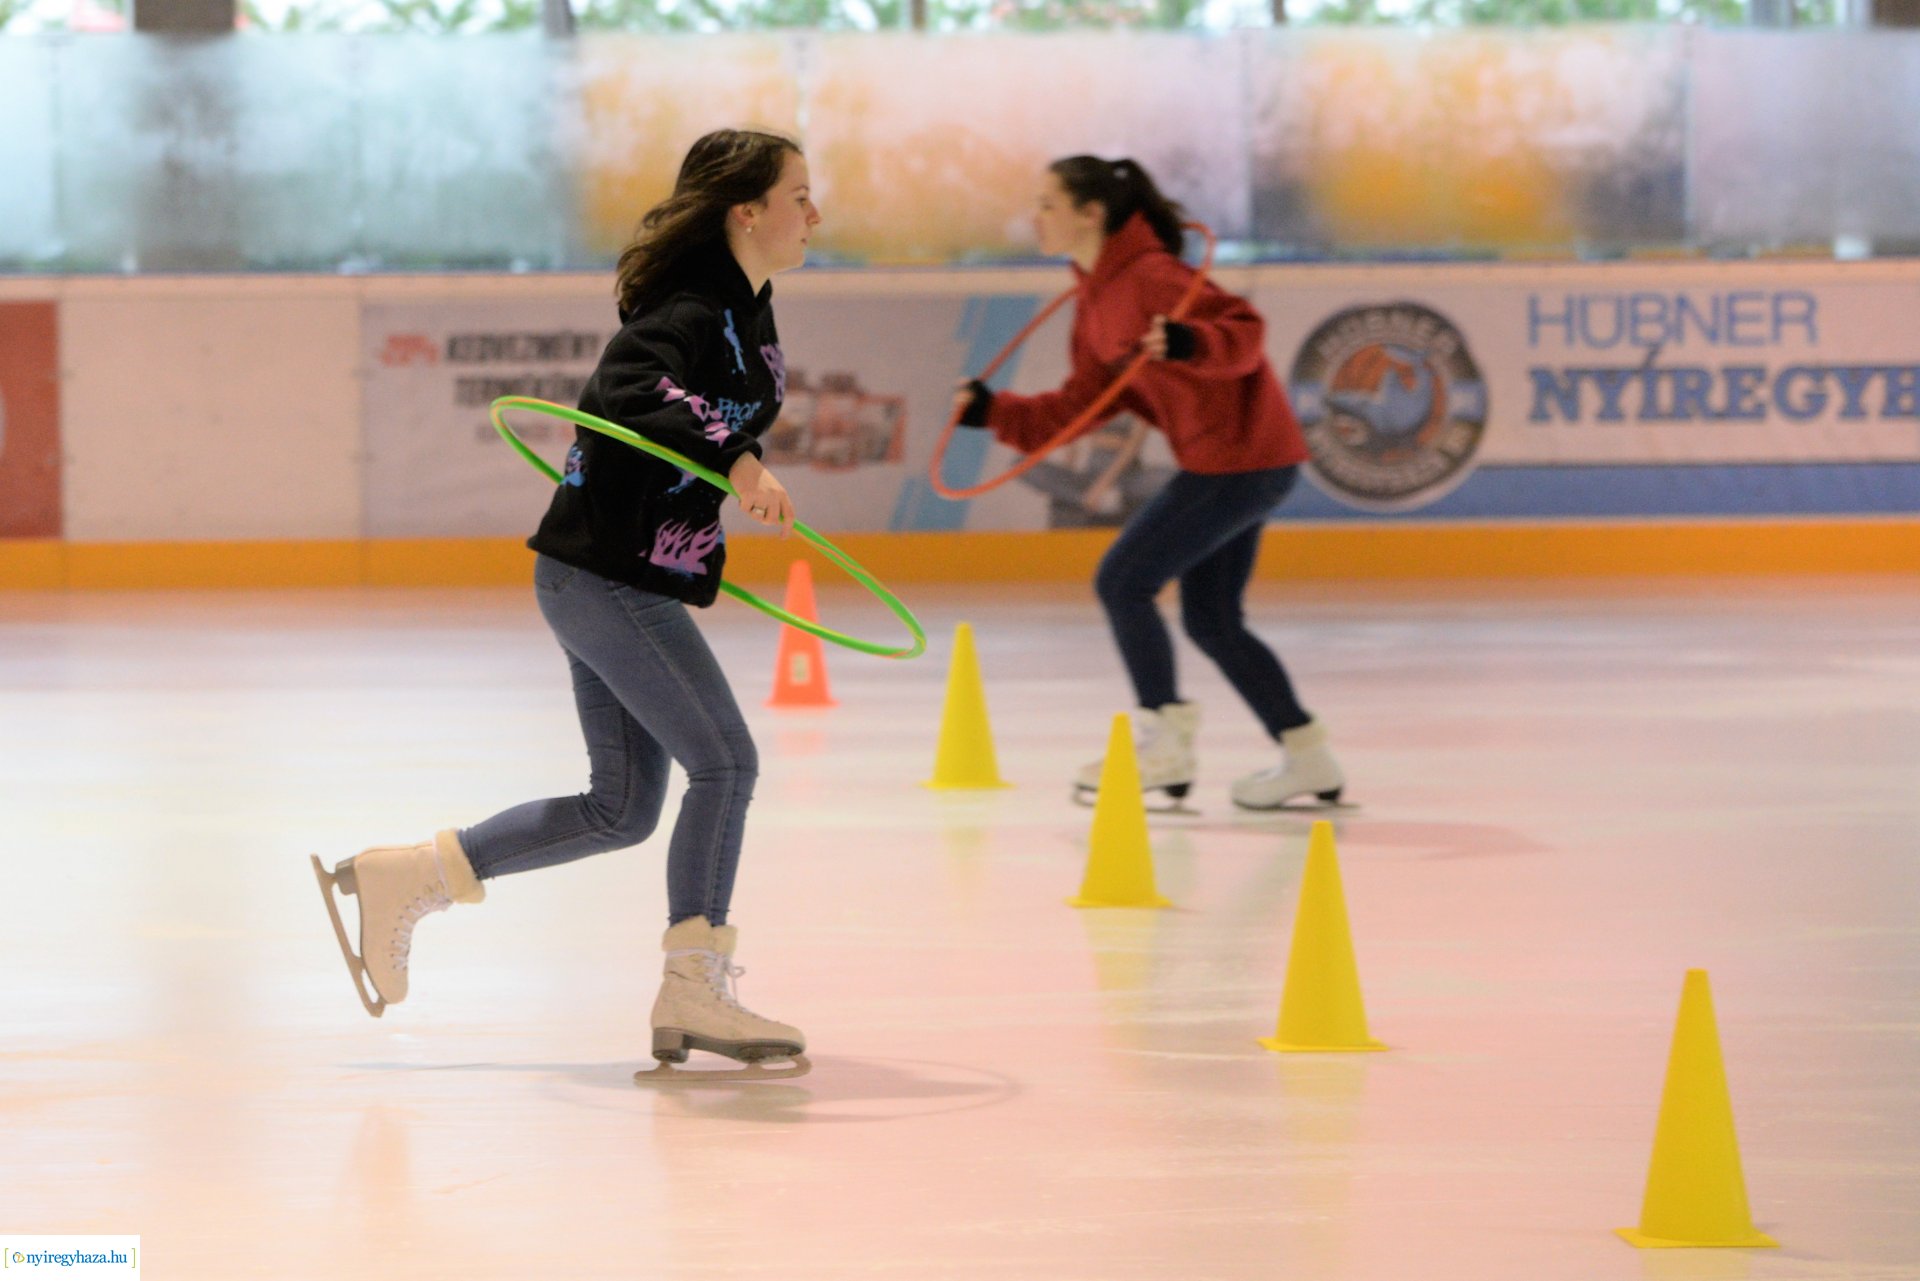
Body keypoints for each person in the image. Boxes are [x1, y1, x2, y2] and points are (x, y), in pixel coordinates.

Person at [312, 129, 820, 1075]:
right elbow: (628, 389)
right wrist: (741, 458)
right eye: (799, 194)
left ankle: (407, 876)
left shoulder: (749, 308)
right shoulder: (691, 305)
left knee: (621, 807)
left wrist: (731, 460)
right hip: (609, 575)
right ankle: (693, 982)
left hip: (611, 575)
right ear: (745, 209)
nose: (815, 213)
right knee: (727, 761)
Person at [953, 155, 1344, 811]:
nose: (1036, 217)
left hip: (1241, 462)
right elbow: (1086, 402)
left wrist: (1192, 342)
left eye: (1048, 203)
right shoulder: (1098, 297)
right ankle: (1308, 755)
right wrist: (996, 412)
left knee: (1123, 580)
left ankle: (1163, 742)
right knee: (1213, 621)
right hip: (1233, 463)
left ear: (1091, 214)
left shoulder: (1151, 277)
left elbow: (1244, 332)